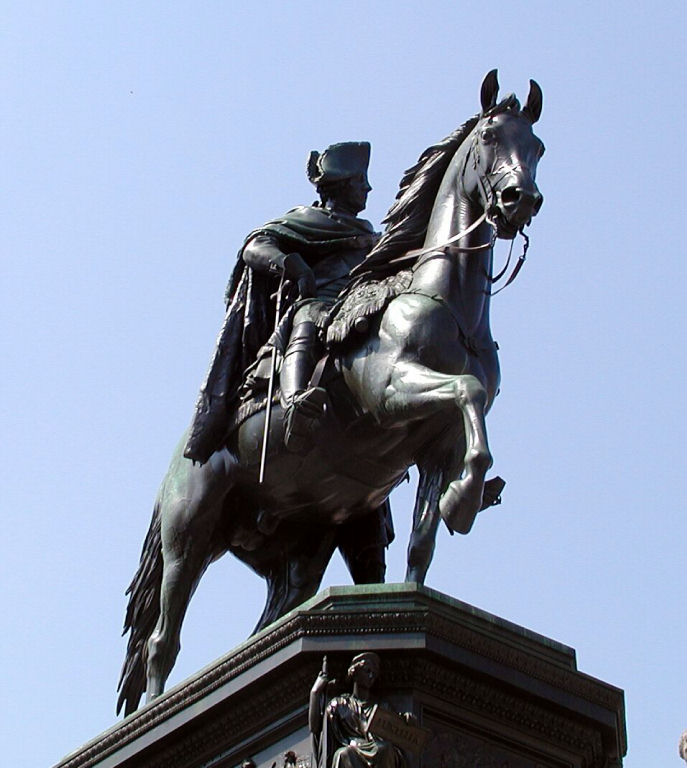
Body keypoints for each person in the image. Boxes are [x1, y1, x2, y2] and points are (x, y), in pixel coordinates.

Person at [184, 142, 377, 463]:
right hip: (320, 305)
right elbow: (255, 247)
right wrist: (292, 265)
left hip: (363, 306)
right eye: (360, 181)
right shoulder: (306, 220)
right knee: (311, 315)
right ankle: (295, 402)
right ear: (341, 186)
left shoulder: (371, 236)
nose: (368, 188)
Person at [309, 654, 408, 768]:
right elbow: (316, 728)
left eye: (374, 674)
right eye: (367, 671)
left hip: (377, 749)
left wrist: (407, 720)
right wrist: (315, 693)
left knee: (385, 749)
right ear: (354, 672)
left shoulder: (381, 706)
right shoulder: (340, 705)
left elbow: (398, 726)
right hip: (352, 749)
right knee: (343, 754)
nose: (371, 676)